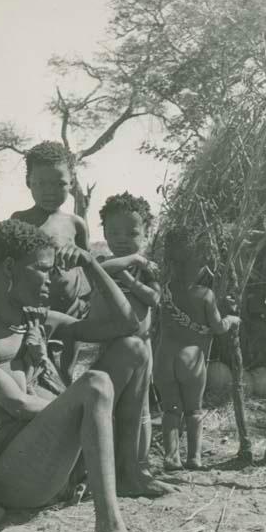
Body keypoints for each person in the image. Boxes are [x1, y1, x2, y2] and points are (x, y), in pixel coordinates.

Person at [0, 219, 172, 532]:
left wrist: (93, 264)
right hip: (3, 477)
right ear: (10, 269)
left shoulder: (39, 321)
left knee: (133, 348)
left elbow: (126, 325)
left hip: (51, 466)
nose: (53, 279)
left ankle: (128, 471)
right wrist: (82, 407)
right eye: (43, 270)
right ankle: (109, 530)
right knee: (96, 385)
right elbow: (14, 405)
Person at [154, 227, 241, 471]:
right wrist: (233, 319)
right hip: (190, 358)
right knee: (193, 410)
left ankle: (171, 458)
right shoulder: (205, 294)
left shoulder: (165, 289)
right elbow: (218, 327)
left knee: (170, 410)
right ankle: (194, 457)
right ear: (199, 264)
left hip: (164, 357)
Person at [11, 141, 91, 384]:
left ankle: (67, 417)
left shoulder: (76, 223)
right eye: (40, 183)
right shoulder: (20, 219)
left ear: (72, 182)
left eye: (59, 184)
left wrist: (86, 301)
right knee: (35, 368)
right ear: (28, 182)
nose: (49, 191)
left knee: (66, 371)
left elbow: (87, 265)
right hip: (33, 312)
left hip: (71, 310)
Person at [92, 192, 160, 467]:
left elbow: (154, 298)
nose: (121, 238)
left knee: (140, 407)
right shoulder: (102, 261)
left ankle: (138, 462)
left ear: (146, 232)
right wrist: (133, 262)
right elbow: (98, 268)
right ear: (105, 233)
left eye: (131, 232)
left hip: (142, 347)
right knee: (111, 405)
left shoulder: (148, 270)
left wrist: (132, 277)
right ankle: (112, 462)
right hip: (110, 347)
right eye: (113, 232)